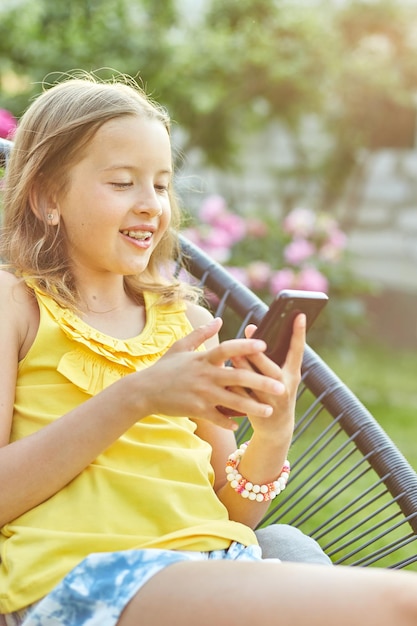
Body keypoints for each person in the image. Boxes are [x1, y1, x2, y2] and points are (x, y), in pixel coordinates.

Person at [0, 72, 416, 626]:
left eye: (161, 184)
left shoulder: (186, 323)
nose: (151, 205)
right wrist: (138, 395)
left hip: (207, 563)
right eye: (123, 183)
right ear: (47, 197)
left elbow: (234, 507)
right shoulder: (16, 307)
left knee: (287, 545)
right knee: (398, 605)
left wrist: (273, 431)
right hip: (86, 580)